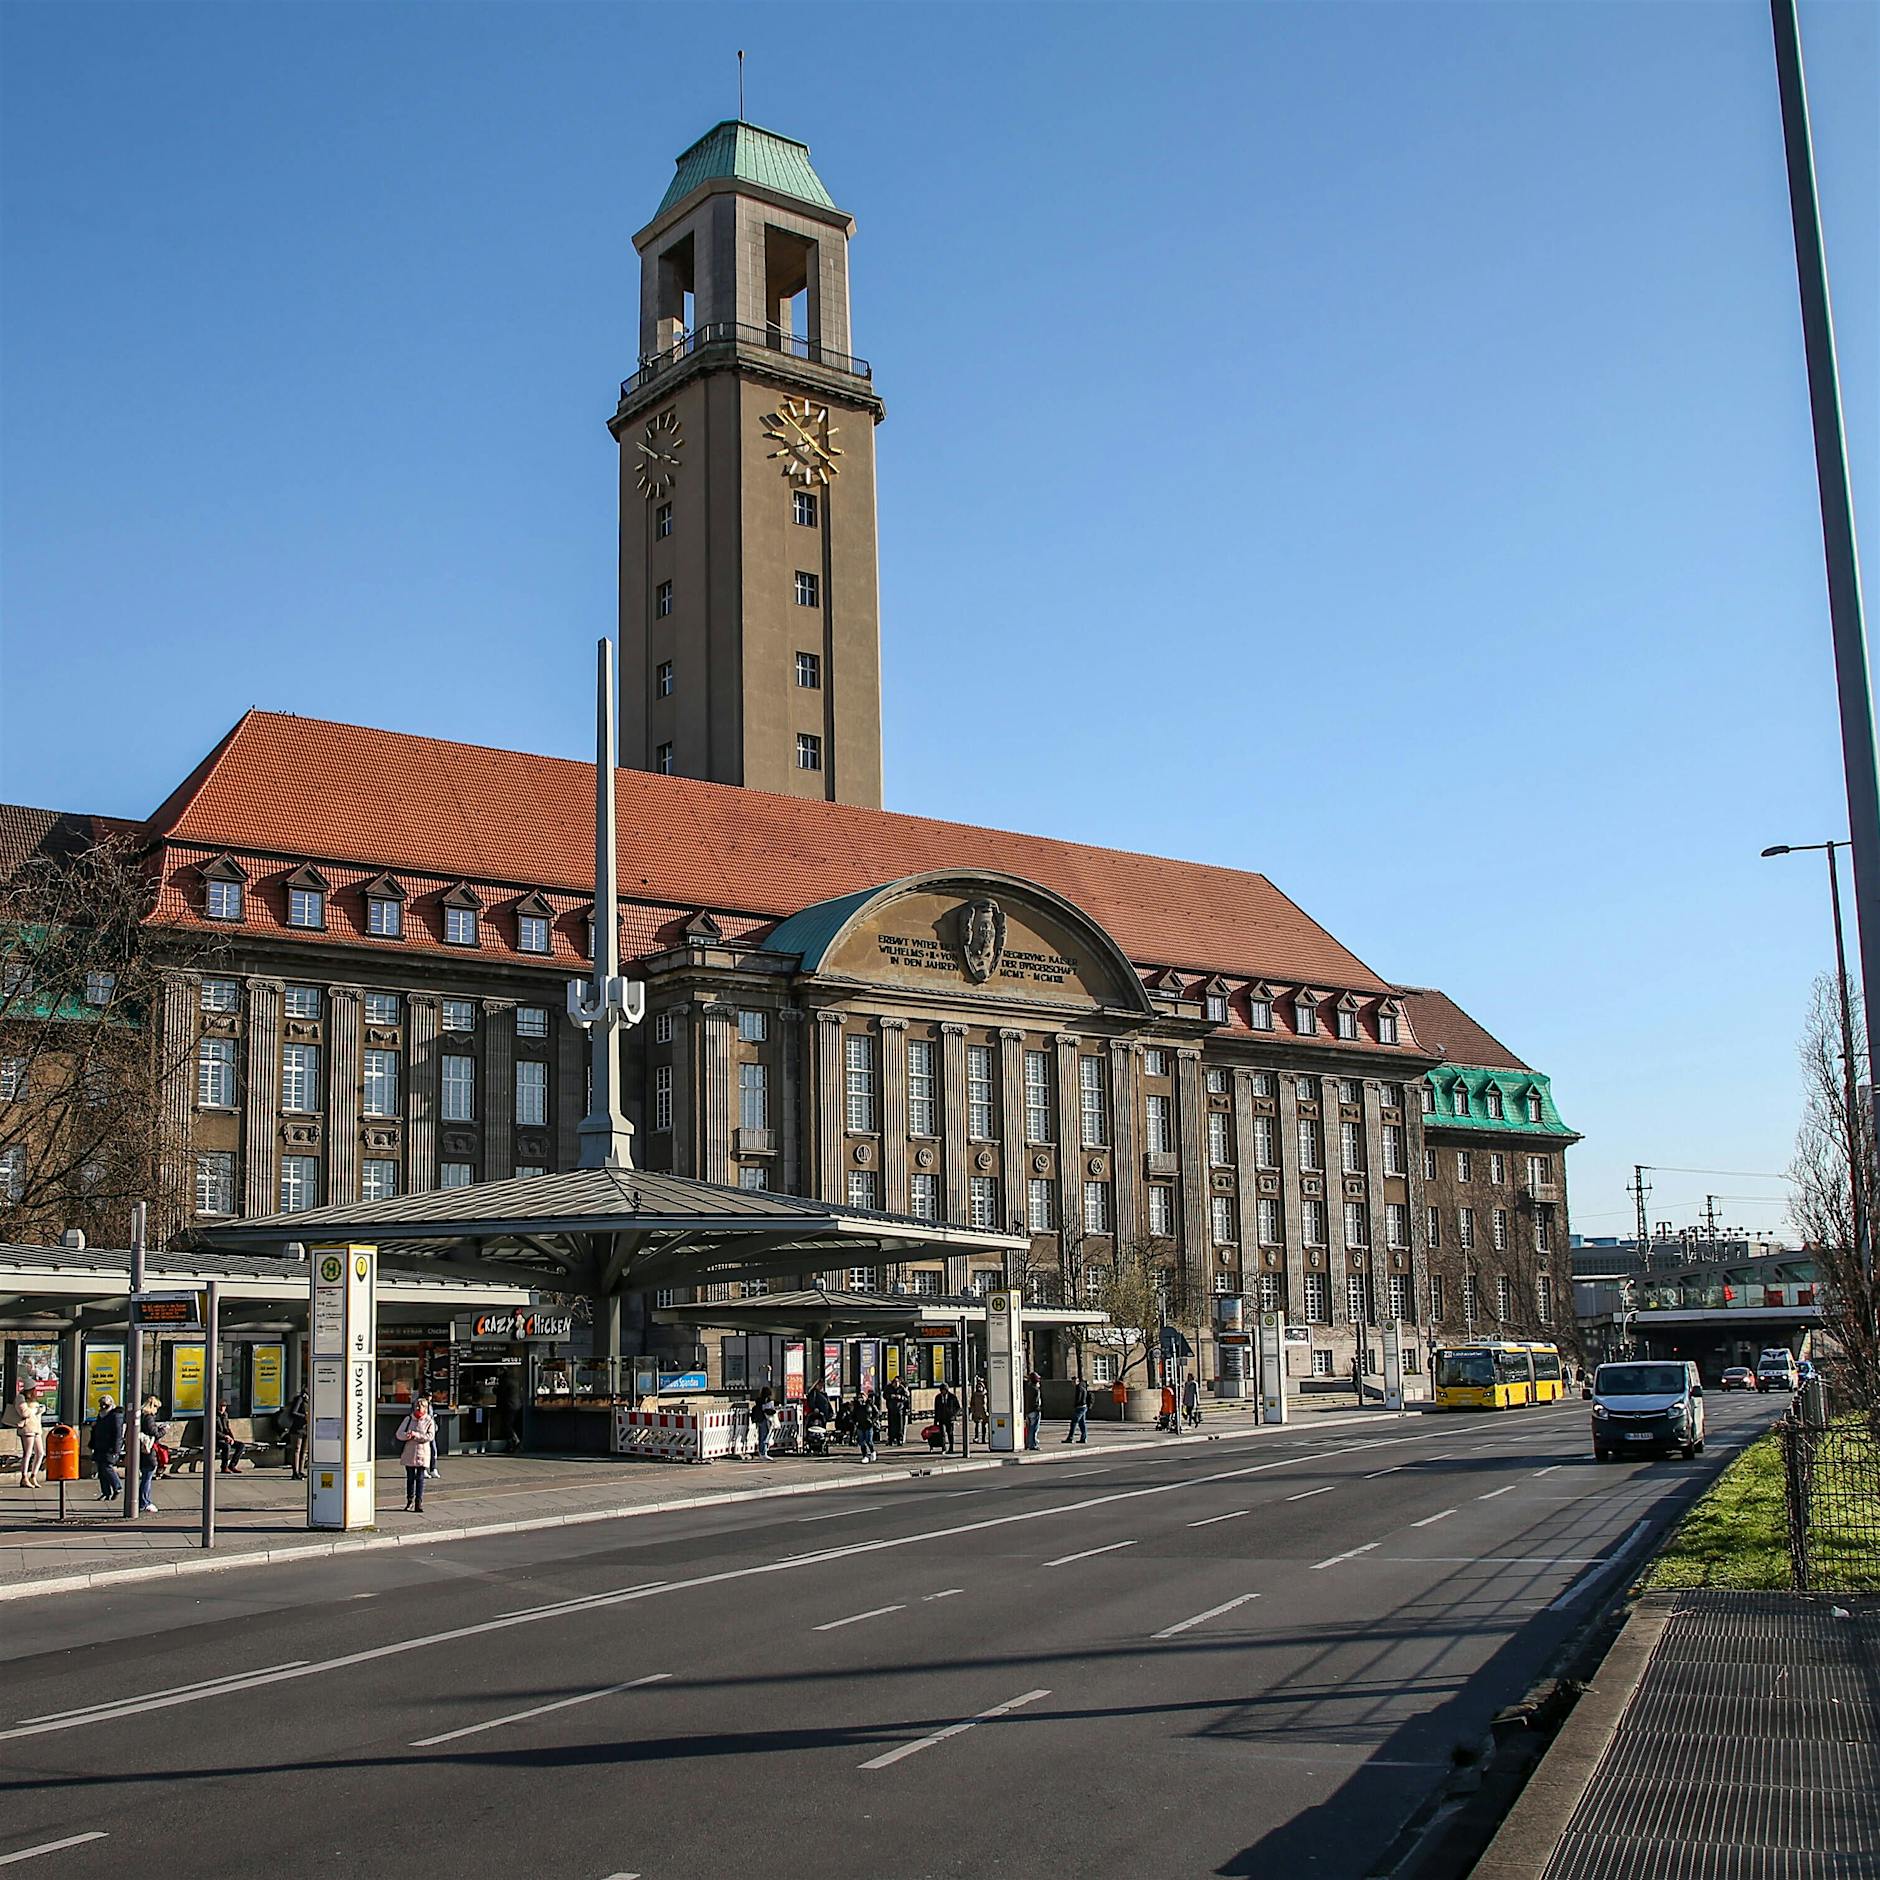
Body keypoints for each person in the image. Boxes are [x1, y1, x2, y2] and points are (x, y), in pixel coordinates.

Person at [396, 1397, 436, 1512]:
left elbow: (430, 1437)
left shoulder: (429, 1420)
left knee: (420, 1478)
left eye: (421, 1406)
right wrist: (406, 1435)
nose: (418, 1408)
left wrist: (416, 1435)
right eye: (417, 1406)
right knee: (410, 1479)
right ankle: (409, 1501)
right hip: (410, 1452)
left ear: (426, 1408)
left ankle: (419, 1502)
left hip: (422, 1453)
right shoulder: (408, 1419)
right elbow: (399, 1434)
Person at [90, 1398, 124, 1501]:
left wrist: (116, 1449)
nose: (102, 1407)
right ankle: (106, 1492)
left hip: (109, 1447)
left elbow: (118, 1434)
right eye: (101, 1405)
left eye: (104, 1405)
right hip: (100, 1445)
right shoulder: (101, 1415)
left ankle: (117, 1487)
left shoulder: (115, 1416)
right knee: (101, 1469)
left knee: (107, 1467)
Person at [137, 1397, 162, 1512]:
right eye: (157, 1408)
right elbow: (155, 1433)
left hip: (141, 1450)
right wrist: (164, 1430)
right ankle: (144, 1502)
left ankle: (142, 1501)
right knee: (147, 1477)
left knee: (145, 1476)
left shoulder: (141, 1416)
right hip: (148, 1451)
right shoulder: (149, 1418)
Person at [283, 1387, 309, 1479]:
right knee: (296, 1449)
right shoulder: (299, 1399)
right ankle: (295, 1472)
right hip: (297, 1429)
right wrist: (304, 1416)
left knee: (304, 1451)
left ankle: (301, 1471)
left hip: (306, 1428)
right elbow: (293, 1412)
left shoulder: (310, 1400)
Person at [215, 1403, 247, 1474]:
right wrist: (225, 1437)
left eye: (224, 1406)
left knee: (241, 1445)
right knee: (226, 1446)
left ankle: (232, 1465)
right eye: (220, 1406)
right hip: (215, 1439)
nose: (222, 1408)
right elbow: (214, 1431)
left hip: (226, 1438)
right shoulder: (213, 1416)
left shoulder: (225, 1415)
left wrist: (231, 1438)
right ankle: (224, 1467)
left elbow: (227, 1429)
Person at [933, 1379, 960, 1454]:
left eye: (944, 1390)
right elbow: (936, 1409)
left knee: (950, 1433)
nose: (943, 1392)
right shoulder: (938, 1397)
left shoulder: (952, 1397)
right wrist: (935, 1420)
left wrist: (953, 1415)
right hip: (941, 1417)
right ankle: (943, 1447)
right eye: (941, 1390)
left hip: (949, 1418)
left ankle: (951, 1448)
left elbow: (958, 1407)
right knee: (942, 1433)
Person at [750, 1384, 777, 1459]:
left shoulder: (758, 1401)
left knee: (762, 1435)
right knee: (764, 1436)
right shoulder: (766, 1401)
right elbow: (767, 1410)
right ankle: (763, 1452)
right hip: (765, 1419)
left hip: (760, 1419)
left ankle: (762, 1451)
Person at [1063, 1376, 1091, 1445]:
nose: (1073, 1383)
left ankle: (1070, 1438)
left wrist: (1076, 1405)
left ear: (1077, 1381)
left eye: (1074, 1381)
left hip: (1080, 1407)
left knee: (1074, 1422)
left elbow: (1079, 1398)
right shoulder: (1082, 1387)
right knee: (1082, 1423)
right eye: (1072, 1381)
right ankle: (1084, 1438)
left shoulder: (1079, 1388)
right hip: (1084, 1406)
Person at [885, 1376, 911, 1447]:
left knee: (900, 1425)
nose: (896, 1384)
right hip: (891, 1409)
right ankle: (891, 1439)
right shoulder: (889, 1388)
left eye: (897, 1383)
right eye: (895, 1382)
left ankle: (899, 1439)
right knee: (891, 1425)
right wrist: (890, 1396)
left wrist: (900, 1397)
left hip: (899, 1409)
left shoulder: (902, 1388)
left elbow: (907, 1398)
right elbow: (885, 1395)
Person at [856, 1390, 880, 1462]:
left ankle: (872, 1452)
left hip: (868, 1425)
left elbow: (876, 1413)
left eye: (862, 1396)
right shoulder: (857, 1405)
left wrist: (872, 1421)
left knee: (869, 1441)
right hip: (860, 1425)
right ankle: (865, 1456)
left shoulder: (870, 1404)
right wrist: (855, 1421)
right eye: (859, 1396)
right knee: (861, 1441)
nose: (861, 1398)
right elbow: (853, 1414)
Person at [1022, 1370, 1042, 1450]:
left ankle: (1029, 1443)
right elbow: (1037, 1401)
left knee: (1029, 1428)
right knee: (1034, 1429)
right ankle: (1033, 1444)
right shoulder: (1036, 1390)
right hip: (1034, 1410)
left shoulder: (1027, 1388)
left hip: (1028, 1411)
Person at [967, 1375, 989, 1446]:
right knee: (976, 1425)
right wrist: (972, 1411)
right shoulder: (975, 1394)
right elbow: (972, 1403)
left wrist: (988, 1411)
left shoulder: (985, 1394)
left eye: (980, 1386)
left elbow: (988, 1403)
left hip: (984, 1412)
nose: (979, 1388)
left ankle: (983, 1438)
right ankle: (976, 1437)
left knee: (984, 1425)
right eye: (978, 1386)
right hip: (977, 1411)